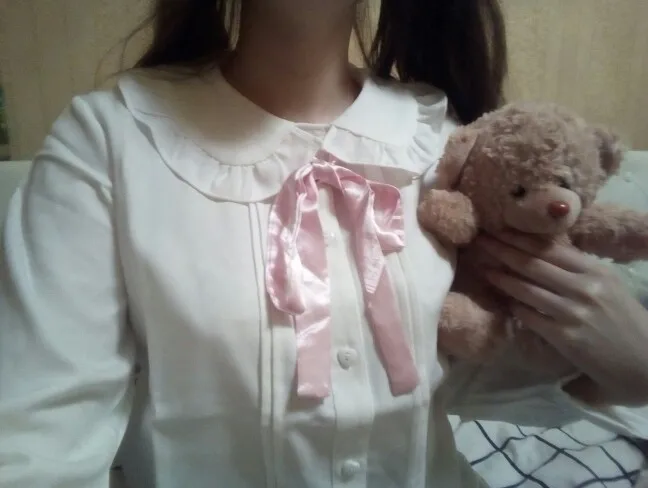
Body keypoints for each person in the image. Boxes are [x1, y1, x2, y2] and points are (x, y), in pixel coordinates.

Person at [1, 0, 647, 486]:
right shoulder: (109, 142)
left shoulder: (444, 144)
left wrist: (627, 369)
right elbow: (38, 438)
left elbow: (465, 368)